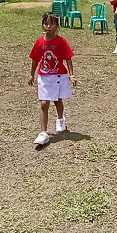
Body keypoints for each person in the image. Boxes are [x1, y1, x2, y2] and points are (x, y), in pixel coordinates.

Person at [28, 12, 77, 145]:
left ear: (57, 26)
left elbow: (68, 58)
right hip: (44, 77)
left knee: (57, 100)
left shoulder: (61, 41)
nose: (48, 26)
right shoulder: (39, 42)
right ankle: (43, 132)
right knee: (44, 103)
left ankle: (60, 119)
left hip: (58, 76)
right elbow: (35, 59)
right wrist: (32, 74)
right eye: (46, 23)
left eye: (51, 24)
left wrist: (71, 75)